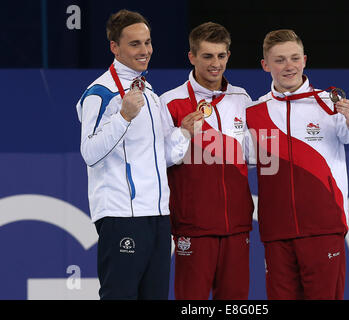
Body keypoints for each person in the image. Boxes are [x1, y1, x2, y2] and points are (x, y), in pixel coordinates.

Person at [246, 29, 349, 300]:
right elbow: (239, 160)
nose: (289, 66)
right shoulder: (254, 111)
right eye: (280, 60)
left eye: (295, 58)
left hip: (323, 227)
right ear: (265, 65)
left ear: (305, 60)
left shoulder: (330, 104)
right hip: (276, 233)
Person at [75, 9, 200, 300]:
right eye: (135, 44)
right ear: (114, 47)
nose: (145, 50)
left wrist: (183, 133)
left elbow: (162, 158)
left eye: (148, 42)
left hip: (157, 215)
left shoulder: (150, 94)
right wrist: (124, 117)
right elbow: (89, 153)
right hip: (122, 214)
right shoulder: (100, 93)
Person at [159, 22, 254, 300]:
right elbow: (160, 159)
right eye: (208, 56)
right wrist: (183, 133)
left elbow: (250, 156)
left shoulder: (242, 98)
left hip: (237, 224)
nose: (216, 64)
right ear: (192, 57)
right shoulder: (170, 102)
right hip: (194, 225)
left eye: (221, 56)